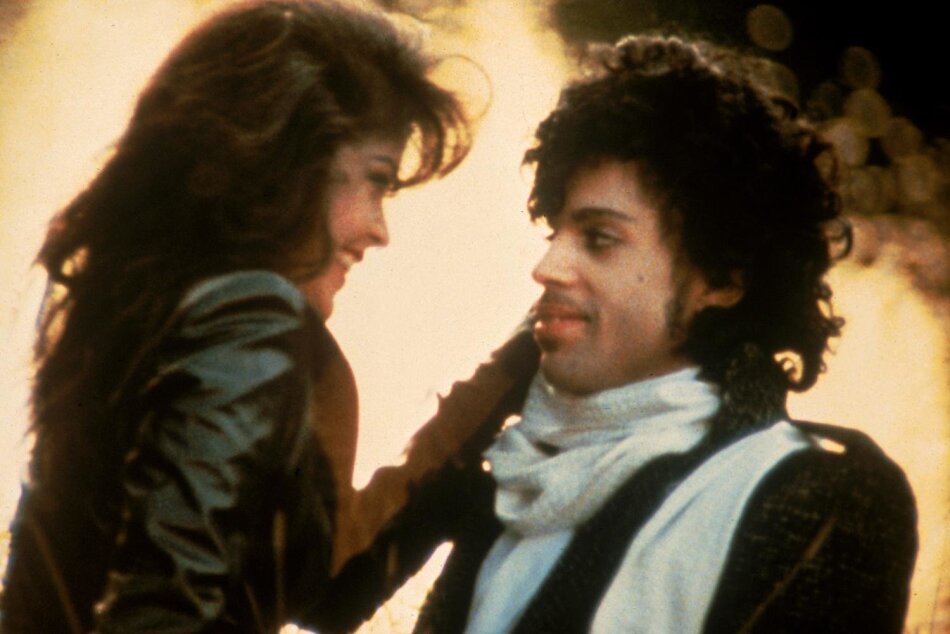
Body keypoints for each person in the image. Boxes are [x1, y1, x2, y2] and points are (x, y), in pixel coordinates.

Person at [321, 35, 919, 633]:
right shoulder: (527, 469)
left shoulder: (810, 496)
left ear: (722, 278)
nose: (546, 267)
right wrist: (501, 379)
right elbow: (330, 596)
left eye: (599, 239)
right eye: (556, 233)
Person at [0, 1, 516, 631]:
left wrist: (515, 366)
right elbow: (164, 614)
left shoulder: (154, 313)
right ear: (292, 164)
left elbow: (321, 591)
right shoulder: (247, 315)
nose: (379, 230)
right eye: (376, 180)